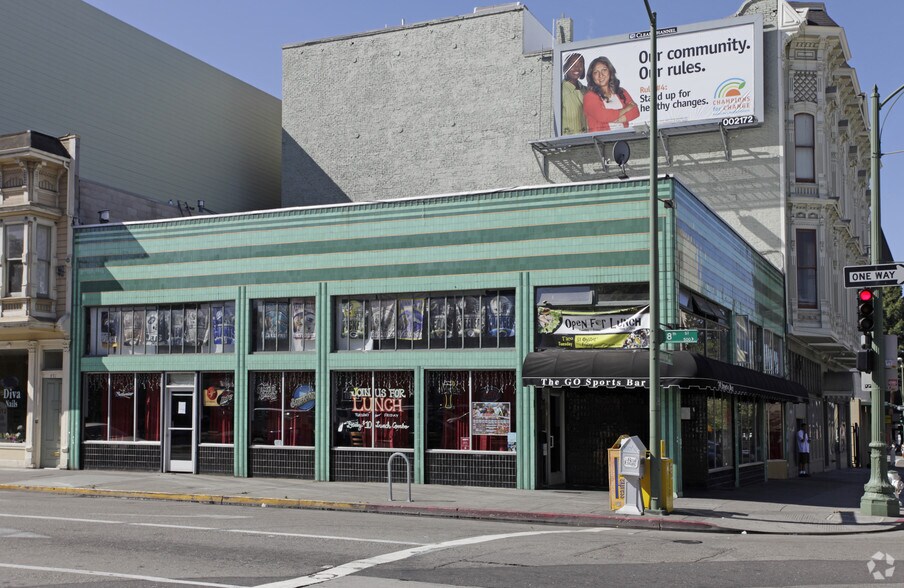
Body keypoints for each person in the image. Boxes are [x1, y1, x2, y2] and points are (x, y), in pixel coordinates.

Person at [583, 56, 639, 132]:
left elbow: (635, 111)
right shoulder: (589, 97)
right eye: (596, 72)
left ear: (610, 71)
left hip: (623, 138)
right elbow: (602, 116)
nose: (601, 75)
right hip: (602, 141)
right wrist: (625, 109)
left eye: (604, 70)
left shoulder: (621, 91)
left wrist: (614, 118)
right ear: (592, 76)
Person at [560, 53, 587, 135]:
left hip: (589, 141)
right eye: (572, 64)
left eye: (580, 64)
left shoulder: (587, 91)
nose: (577, 68)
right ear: (565, 67)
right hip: (568, 143)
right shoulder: (560, 90)